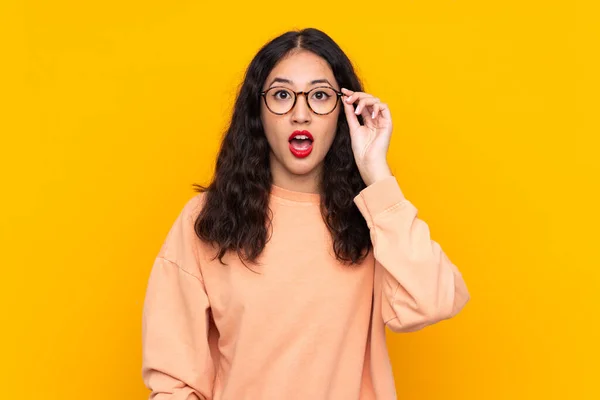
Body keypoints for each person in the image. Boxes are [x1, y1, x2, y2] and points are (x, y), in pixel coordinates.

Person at [141, 27, 470, 400]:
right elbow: (173, 381)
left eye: (319, 96)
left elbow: (433, 300)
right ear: (258, 112)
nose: (301, 114)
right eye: (282, 95)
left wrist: (377, 175)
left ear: (344, 112)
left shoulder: (373, 220)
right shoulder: (207, 220)